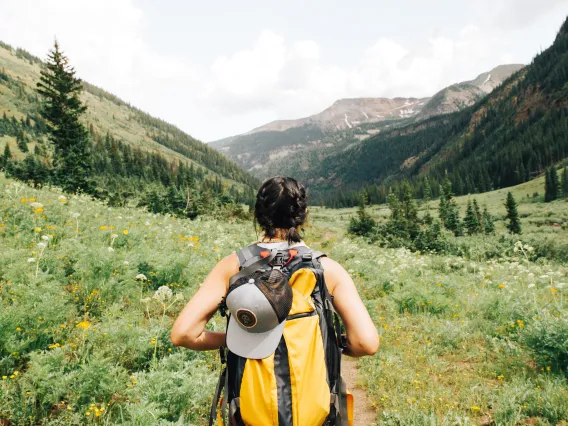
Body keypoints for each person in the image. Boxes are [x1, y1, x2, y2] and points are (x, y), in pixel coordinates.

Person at [170, 176, 379, 358]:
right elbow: (366, 343)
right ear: (303, 215)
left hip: (250, 400)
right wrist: (327, 343)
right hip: (314, 401)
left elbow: (184, 334)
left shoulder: (233, 265)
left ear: (259, 215)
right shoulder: (328, 269)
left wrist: (233, 340)